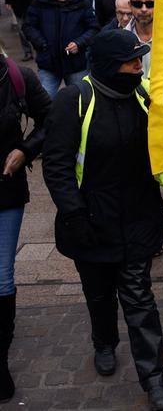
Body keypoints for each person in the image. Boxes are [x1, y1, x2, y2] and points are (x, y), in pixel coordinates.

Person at [42, 29, 163, 410]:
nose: (138, 66)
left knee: (139, 299)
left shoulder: (143, 96)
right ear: (107, 65)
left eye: (139, 60)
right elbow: (57, 164)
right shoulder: (74, 99)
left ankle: (154, 379)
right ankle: (104, 342)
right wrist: (74, 214)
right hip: (91, 223)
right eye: (131, 61)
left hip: (137, 218)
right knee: (99, 294)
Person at [0, 51, 51, 403]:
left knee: (2, 276)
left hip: (5, 190)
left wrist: (25, 149)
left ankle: (0, 359)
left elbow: (51, 118)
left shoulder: (17, 77)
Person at [23, 0, 99, 98]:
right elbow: (28, 26)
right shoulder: (40, 3)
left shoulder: (82, 2)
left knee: (81, 102)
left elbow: (93, 27)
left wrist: (79, 43)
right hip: (48, 63)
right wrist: (42, 44)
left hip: (76, 64)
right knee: (43, 102)